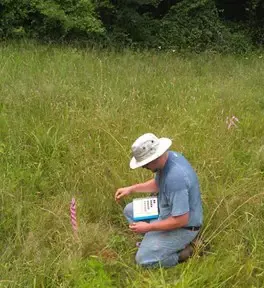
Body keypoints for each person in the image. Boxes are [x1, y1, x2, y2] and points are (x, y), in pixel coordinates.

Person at [115, 133, 203, 268]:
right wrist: (131, 189)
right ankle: (153, 242)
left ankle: (186, 251)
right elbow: (158, 184)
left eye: (145, 164)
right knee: (129, 211)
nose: (144, 168)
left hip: (184, 226)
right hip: (165, 208)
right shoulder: (168, 159)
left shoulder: (176, 178)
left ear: (154, 158)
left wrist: (148, 227)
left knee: (143, 260)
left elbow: (181, 220)